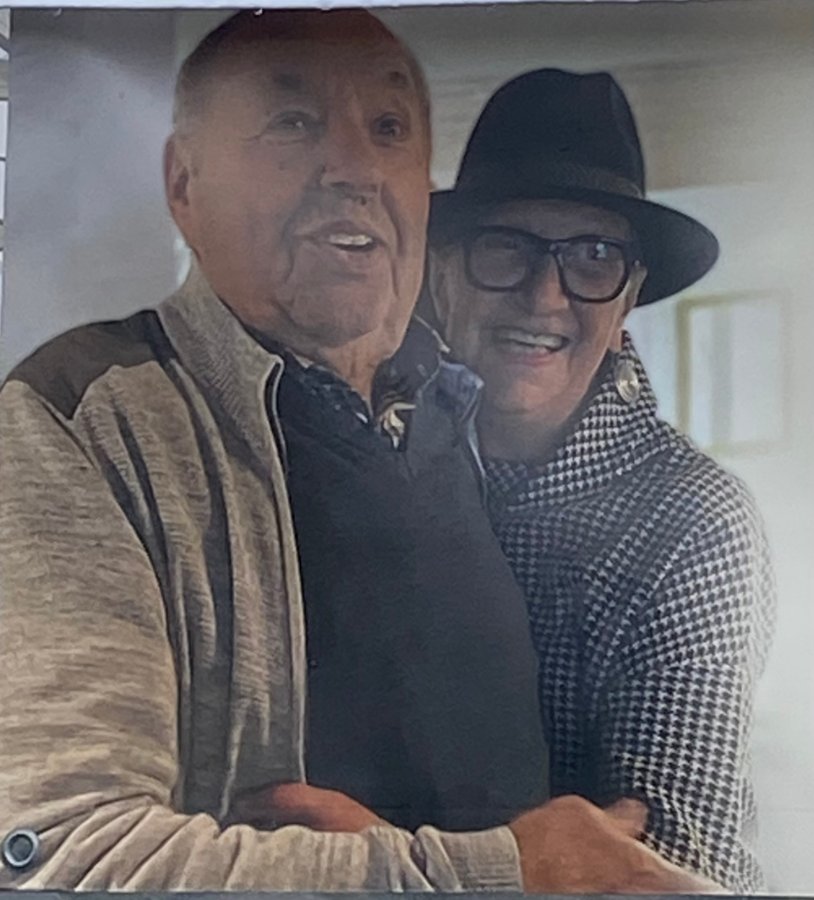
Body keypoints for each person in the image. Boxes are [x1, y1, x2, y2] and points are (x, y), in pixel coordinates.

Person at [0, 12, 720, 891]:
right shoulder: (84, 421)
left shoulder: (462, 418)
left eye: (387, 128)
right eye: (293, 121)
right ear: (184, 182)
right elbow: (58, 854)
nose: (354, 167)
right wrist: (495, 875)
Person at [426, 68, 777, 893]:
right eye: (506, 246)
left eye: (593, 256)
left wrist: (361, 841)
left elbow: (659, 871)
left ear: (628, 299)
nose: (545, 296)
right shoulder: (376, 468)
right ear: (443, 273)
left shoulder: (696, 522)